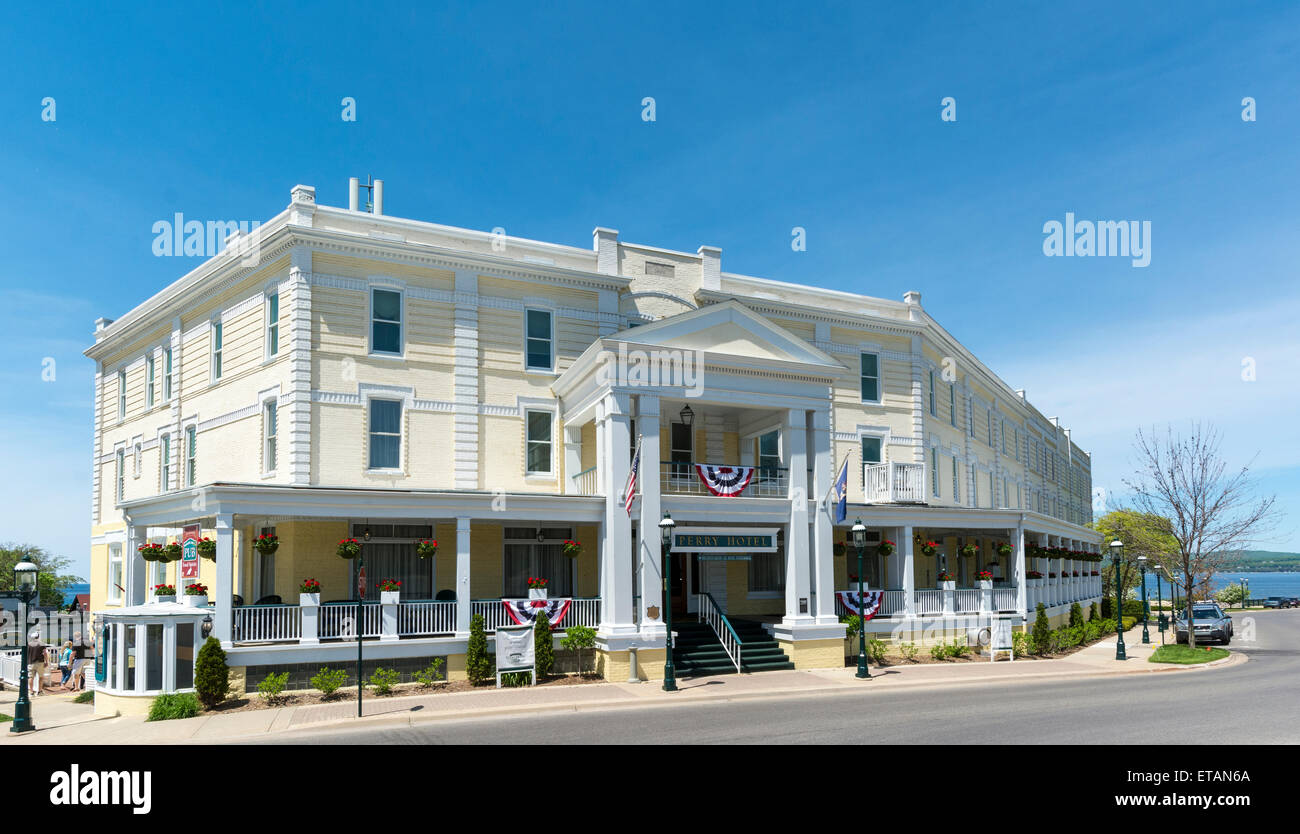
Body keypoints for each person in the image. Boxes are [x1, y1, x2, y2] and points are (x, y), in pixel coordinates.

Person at [27, 632, 45, 697]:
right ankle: (39, 691)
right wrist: (46, 661)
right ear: (38, 636)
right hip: (40, 662)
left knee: (31, 677)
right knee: (41, 677)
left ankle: (31, 692)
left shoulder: (29, 644)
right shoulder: (41, 644)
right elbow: (45, 653)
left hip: (31, 662)